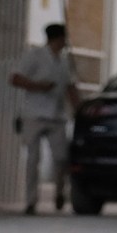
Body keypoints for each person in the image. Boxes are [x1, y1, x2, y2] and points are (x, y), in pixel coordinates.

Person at [9, 23, 79, 215]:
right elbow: (15, 78)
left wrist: (78, 109)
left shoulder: (65, 61)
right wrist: (37, 86)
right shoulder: (35, 56)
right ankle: (31, 200)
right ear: (57, 38)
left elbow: (70, 87)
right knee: (33, 158)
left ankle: (59, 192)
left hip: (56, 116)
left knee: (61, 157)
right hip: (34, 114)